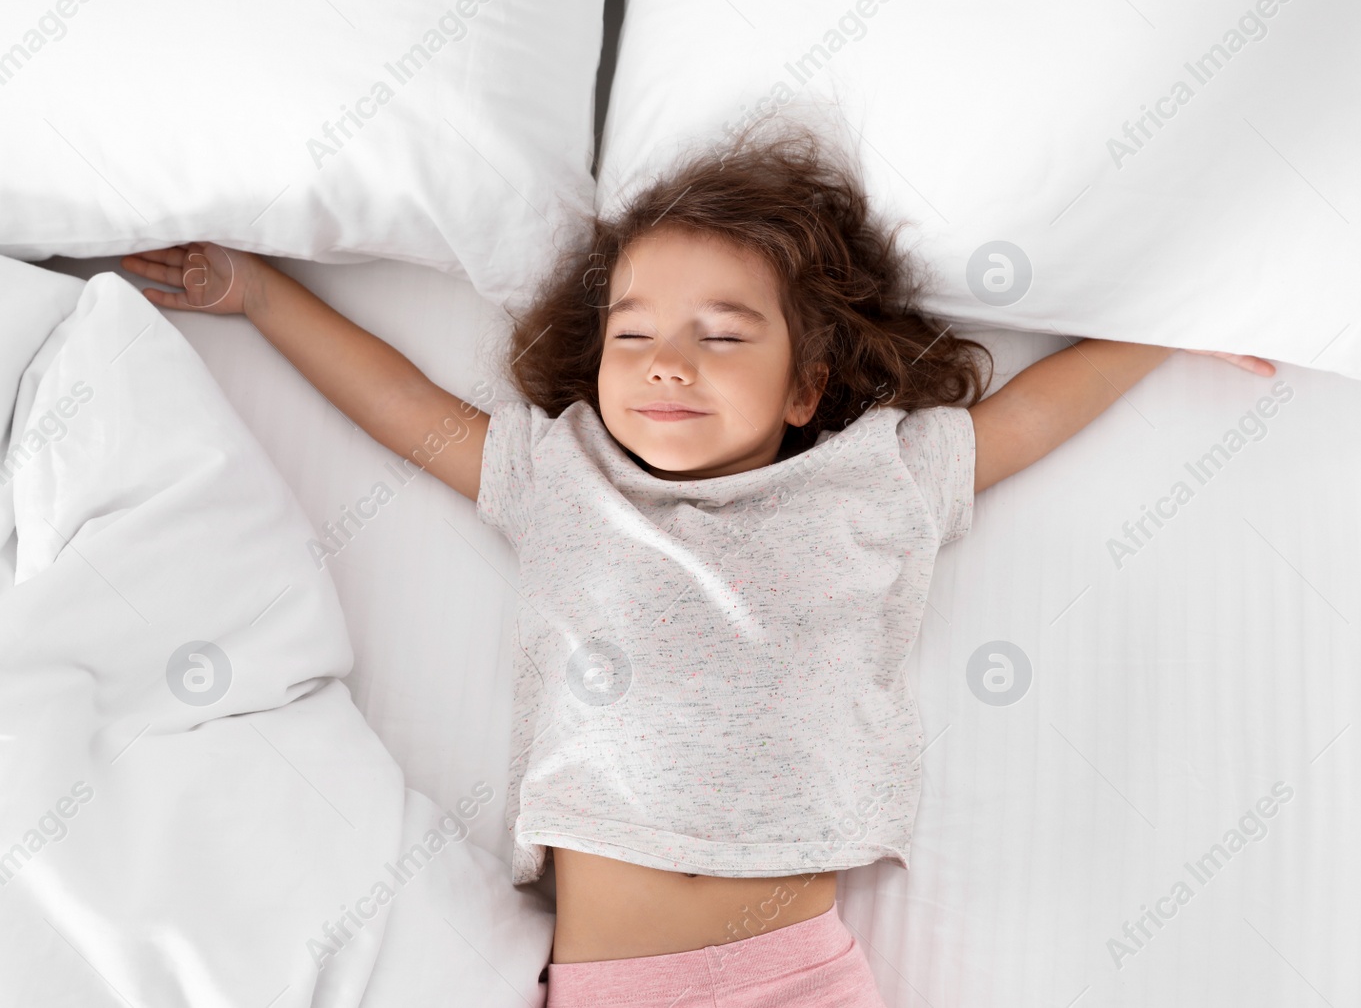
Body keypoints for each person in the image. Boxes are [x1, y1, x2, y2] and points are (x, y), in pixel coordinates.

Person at [121, 125, 1271, 1008]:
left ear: (805, 386)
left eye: (721, 335)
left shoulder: (875, 480)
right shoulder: (563, 478)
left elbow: (1027, 419)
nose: (667, 363)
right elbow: (405, 410)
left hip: (799, 973)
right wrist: (258, 294)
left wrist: (1161, 327)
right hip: (612, 982)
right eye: (633, 333)